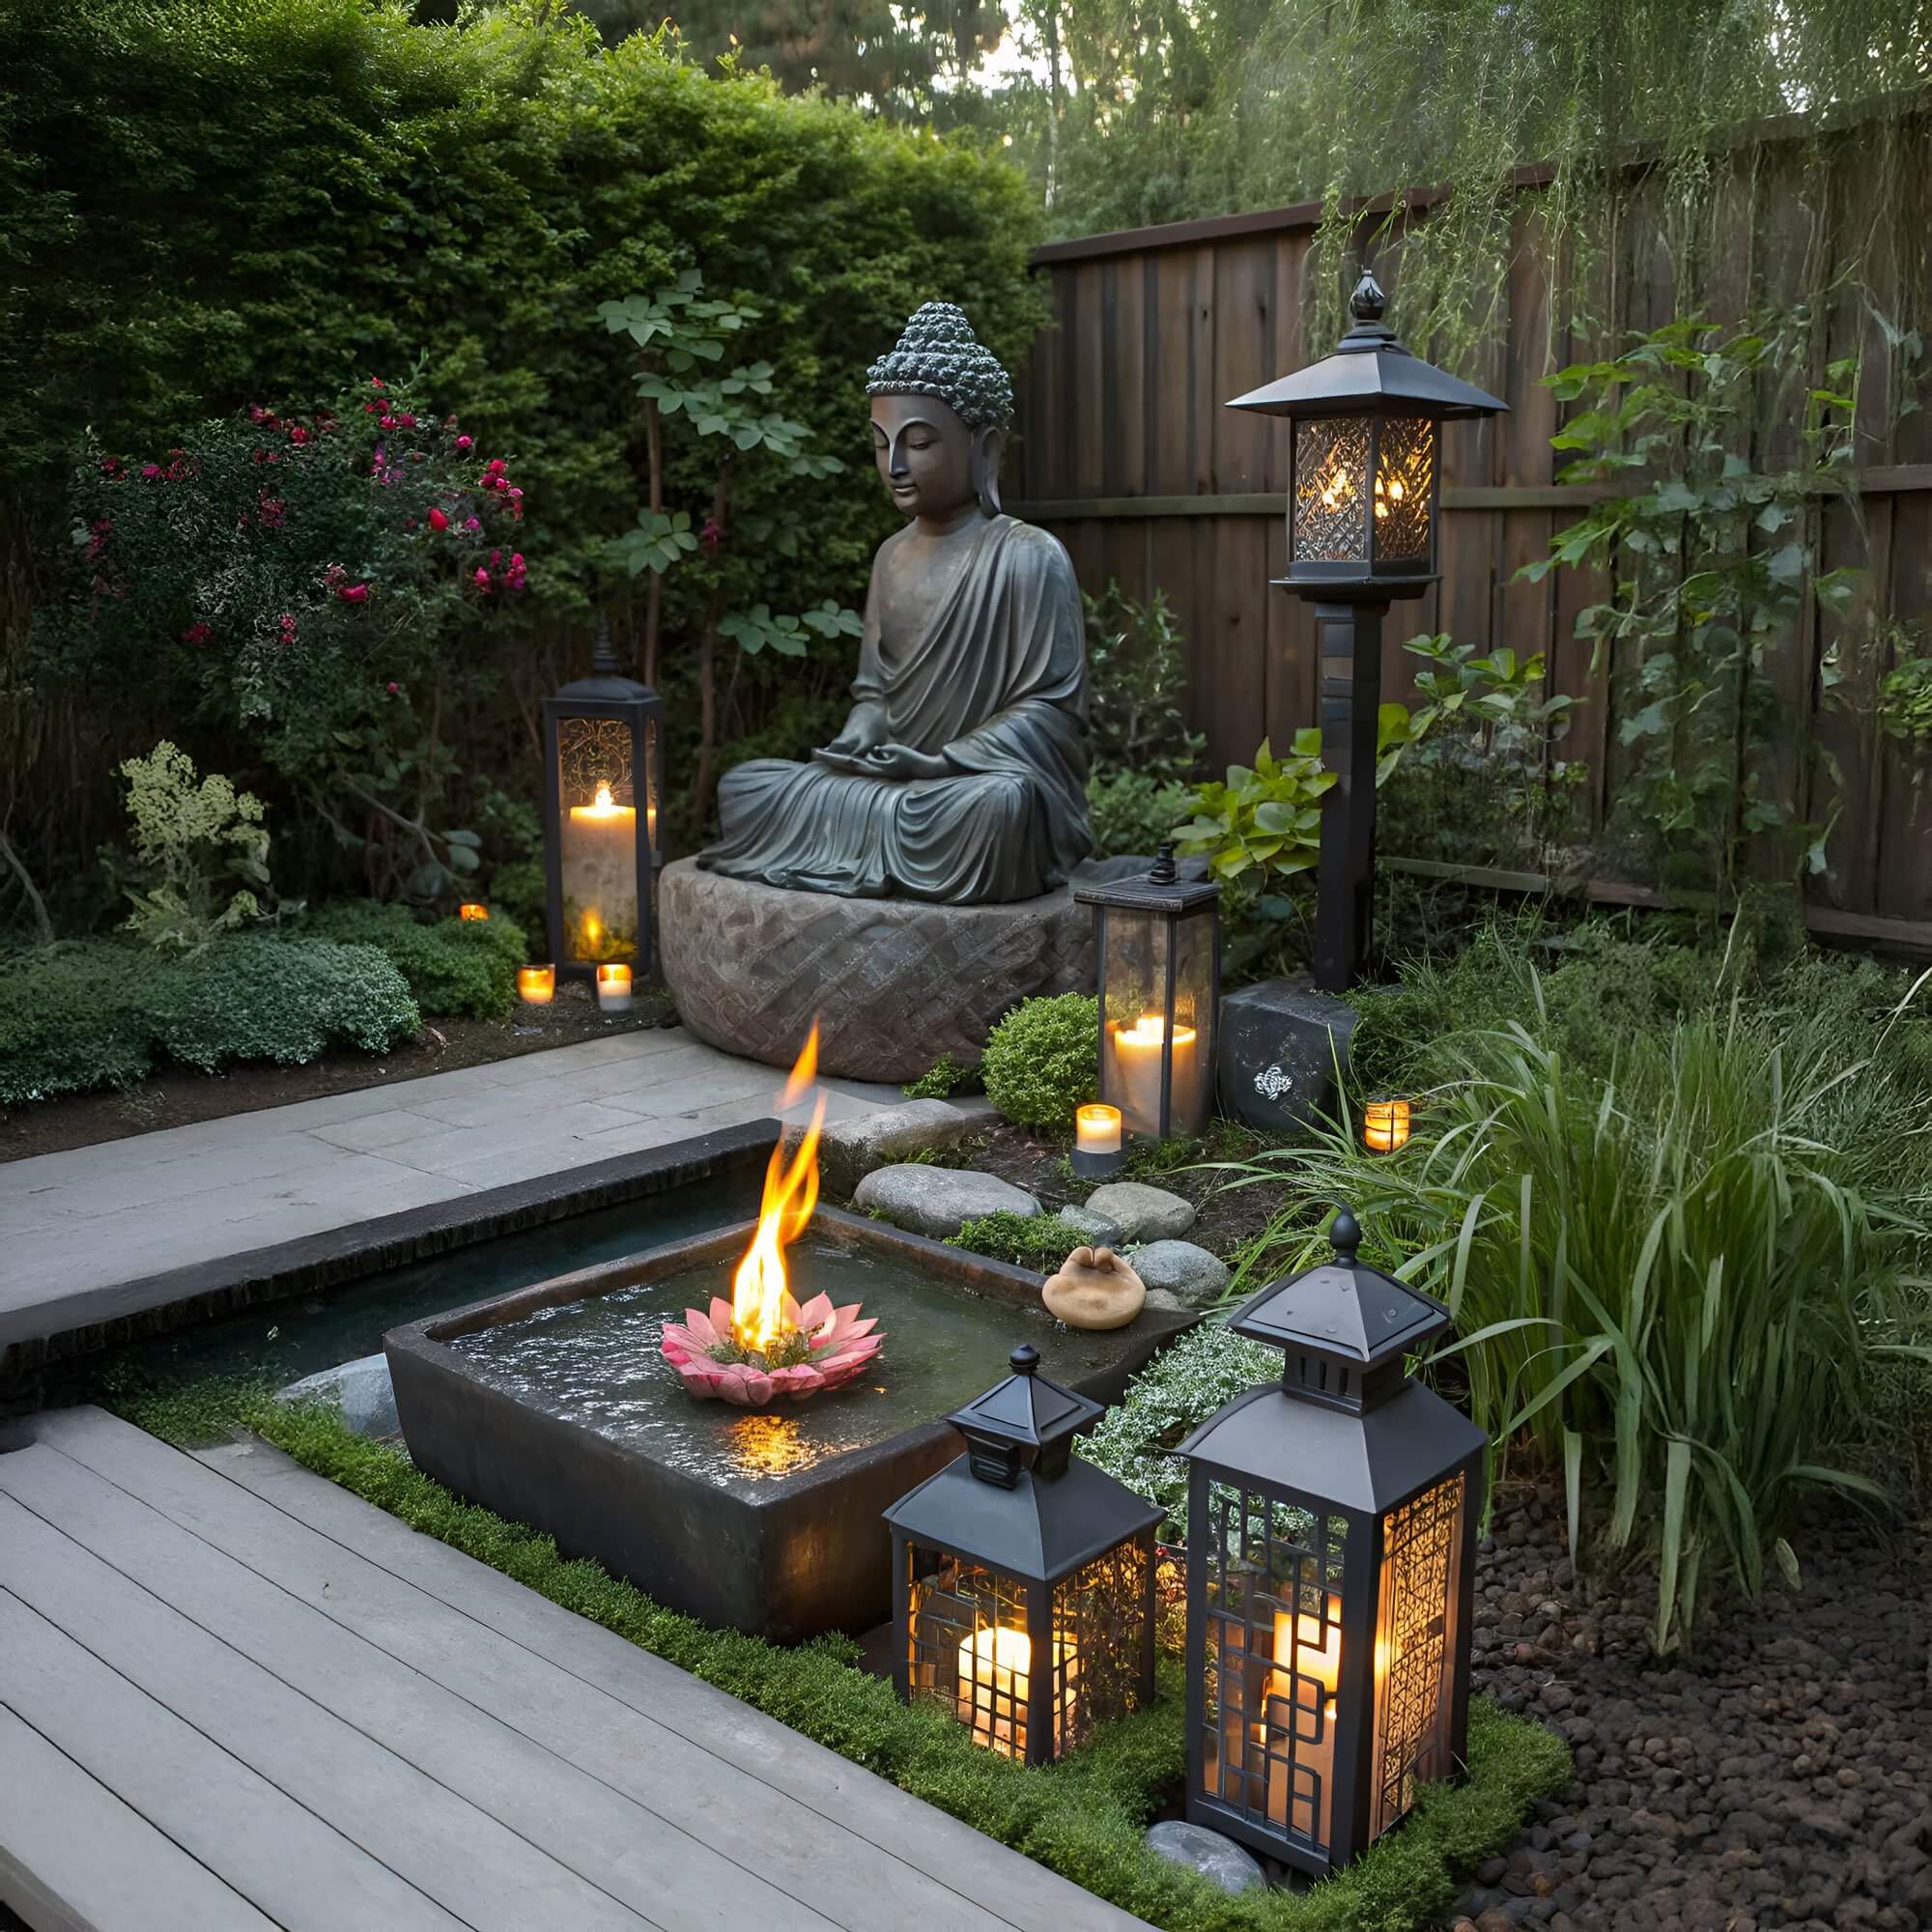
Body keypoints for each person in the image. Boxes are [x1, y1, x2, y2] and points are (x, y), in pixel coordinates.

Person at [697, 302, 1092, 904]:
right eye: (882, 446)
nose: (896, 467)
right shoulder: (890, 556)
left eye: (920, 443)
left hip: (963, 787)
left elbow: (1052, 713)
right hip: (893, 786)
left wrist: (946, 762)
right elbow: (876, 691)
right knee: (747, 788)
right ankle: (871, 845)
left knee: (1000, 808)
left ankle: (887, 842)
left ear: (983, 446)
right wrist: (862, 733)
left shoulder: (1028, 555)